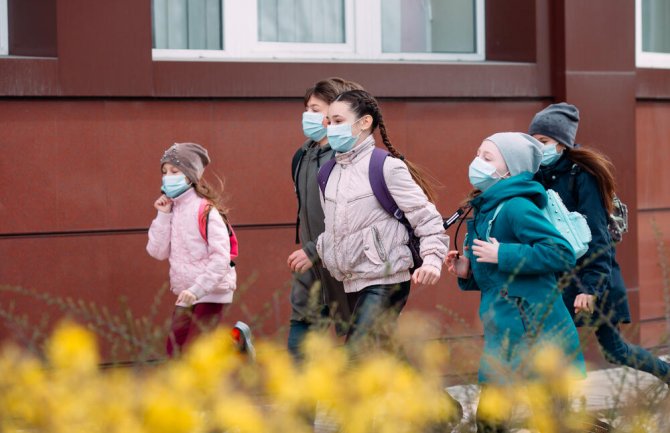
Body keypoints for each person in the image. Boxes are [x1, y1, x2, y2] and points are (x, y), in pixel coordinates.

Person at [445, 132, 585, 432]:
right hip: (506, 332)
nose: (477, 163)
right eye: (478, 154)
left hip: (538, 332)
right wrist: (467, 271)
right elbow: (497, 278)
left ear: (509, 170)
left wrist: (503, 253)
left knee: (552, 421)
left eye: (487, 158)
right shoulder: (486, 209)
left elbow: (560, 254)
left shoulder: (516, 207)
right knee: (492, 421)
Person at [530, 102, 670, 383]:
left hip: (592, 276)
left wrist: (590, 287)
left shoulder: (582, 176)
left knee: (615, 351)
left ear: (562, 143)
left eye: (543, 141)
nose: (537, 148)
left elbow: (598, 235)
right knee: (549, 348)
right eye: (533, 142)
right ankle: (564, 419)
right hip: (558, 275)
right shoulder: (537, 176)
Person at [301, 89, 449, 352]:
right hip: (349, 279)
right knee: (387, 361)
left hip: (386, 279)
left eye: (338, 121)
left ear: (364, 122)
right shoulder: (328, 172)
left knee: (356, 357)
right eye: (329, 122)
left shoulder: (386, 167)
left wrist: (433, 260)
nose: (331, 128)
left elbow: (426, 218)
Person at [147, 142, 252, 357]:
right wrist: (163, 214)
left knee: (194, 352)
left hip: (211, 290)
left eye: (174, 171)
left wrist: (197, 290)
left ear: (189, 176)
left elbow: (221, 259)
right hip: (186, 293)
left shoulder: (206, 211)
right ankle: (233, 341)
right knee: (174, 351)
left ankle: (235, 342)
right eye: (165, 172)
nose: (168, 176)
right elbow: (157, 251)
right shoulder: (173, 209)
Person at [286, 77, 364, 361]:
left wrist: (312, 250)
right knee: (301, 342)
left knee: (371, 348)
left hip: (347, 266)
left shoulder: (348, 158)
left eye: (316, 109)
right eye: (307, 108)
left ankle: (435, 404)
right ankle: (302, 406)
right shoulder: (302, 156)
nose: (308, 115)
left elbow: (350, 218)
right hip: (312, 268)